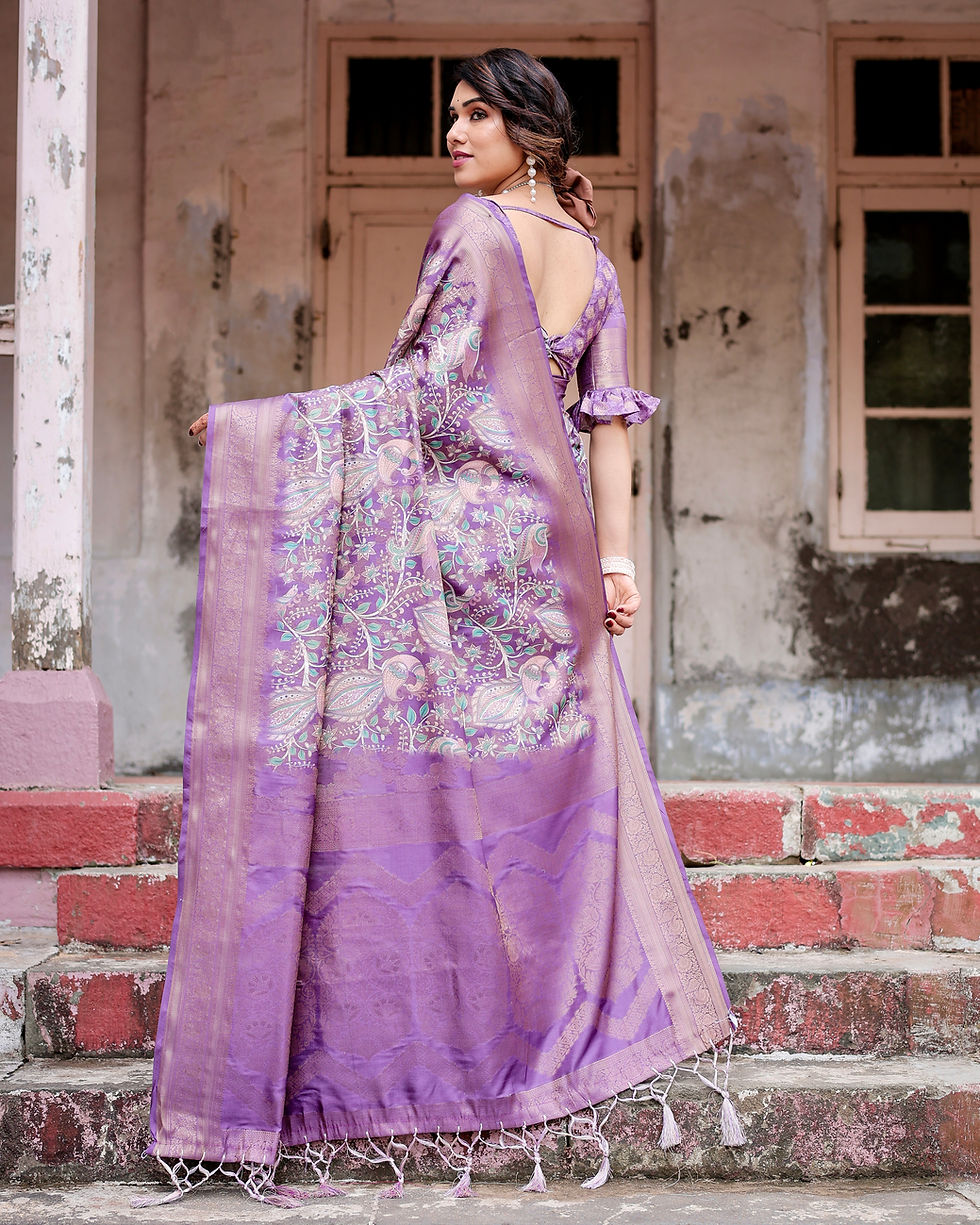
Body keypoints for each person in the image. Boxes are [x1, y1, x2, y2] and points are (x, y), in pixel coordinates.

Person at [138, 48, 741, 1210]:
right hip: (553, 549)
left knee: (432, 791)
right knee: (529, 798)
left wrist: (260, 429)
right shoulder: (590, 261)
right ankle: (550, 1026)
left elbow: (414, 394)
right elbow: (605, 424)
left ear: (530, 128)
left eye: (475, 115)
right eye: (450, 116)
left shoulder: (473, 235)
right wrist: (615, 560)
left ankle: (443, 1037)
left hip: (459, 549)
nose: (452, 135)